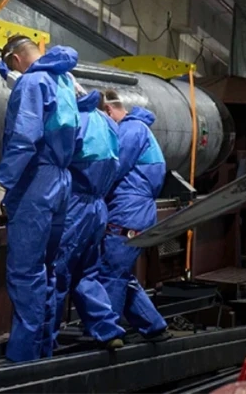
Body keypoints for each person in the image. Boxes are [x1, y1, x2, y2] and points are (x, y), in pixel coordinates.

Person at [0, 35, 80, 362]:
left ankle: (23, 360)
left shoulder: (32, 82)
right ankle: (43, 351)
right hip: (61, 182)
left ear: (16, 59)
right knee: (47, 271)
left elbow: (25, 137)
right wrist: (1, 69)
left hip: (36, 182)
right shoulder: (62, 80)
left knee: (25, 273)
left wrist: (1, 185)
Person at [50, 88, 125, 350]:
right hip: (97, 207)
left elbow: (55, 160)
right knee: (87, 273)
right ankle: (108, 329)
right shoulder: (106, 122)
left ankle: (45, 341)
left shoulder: (73, 120)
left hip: (75, 207)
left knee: (57, 272)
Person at [99, 89, 171, 341]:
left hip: (127, 212)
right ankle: (153, 325)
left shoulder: (130, 130)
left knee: (111, 272)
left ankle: (108, 334)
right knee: (120, 273)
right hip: (134, 211)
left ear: (108, 111)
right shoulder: (139, 129)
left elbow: (112, 169)